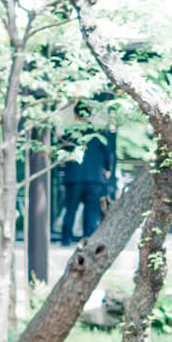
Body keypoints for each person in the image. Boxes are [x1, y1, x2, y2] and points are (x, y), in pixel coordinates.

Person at [60, 104, 113, 245]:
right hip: (95, 178)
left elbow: (61, 153)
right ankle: (88, 241)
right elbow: (108, 155)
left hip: (73, 177)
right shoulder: (99, 133)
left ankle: (65, 240)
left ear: (76, 115)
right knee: (92, 210)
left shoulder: (69, 133)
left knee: (70, 208)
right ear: (90, 114)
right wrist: (108, 169)